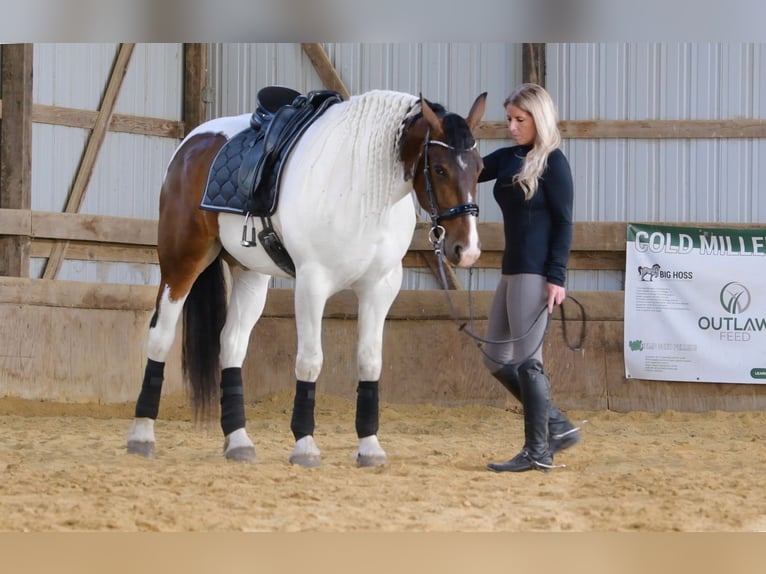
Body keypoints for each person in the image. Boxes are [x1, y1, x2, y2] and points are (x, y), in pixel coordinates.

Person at [478, 83, 581, 472]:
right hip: (510, 271)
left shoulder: (554, 163)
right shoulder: (507, 159)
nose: (511, 126)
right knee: (494, 357)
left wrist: (557, 277)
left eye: (519, 120)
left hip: (536, 274)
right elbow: (467, 169)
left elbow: (565, 223)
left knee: (527, 362)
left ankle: (538, 452)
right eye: (508, 119)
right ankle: (556, 425)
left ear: (538, 118)